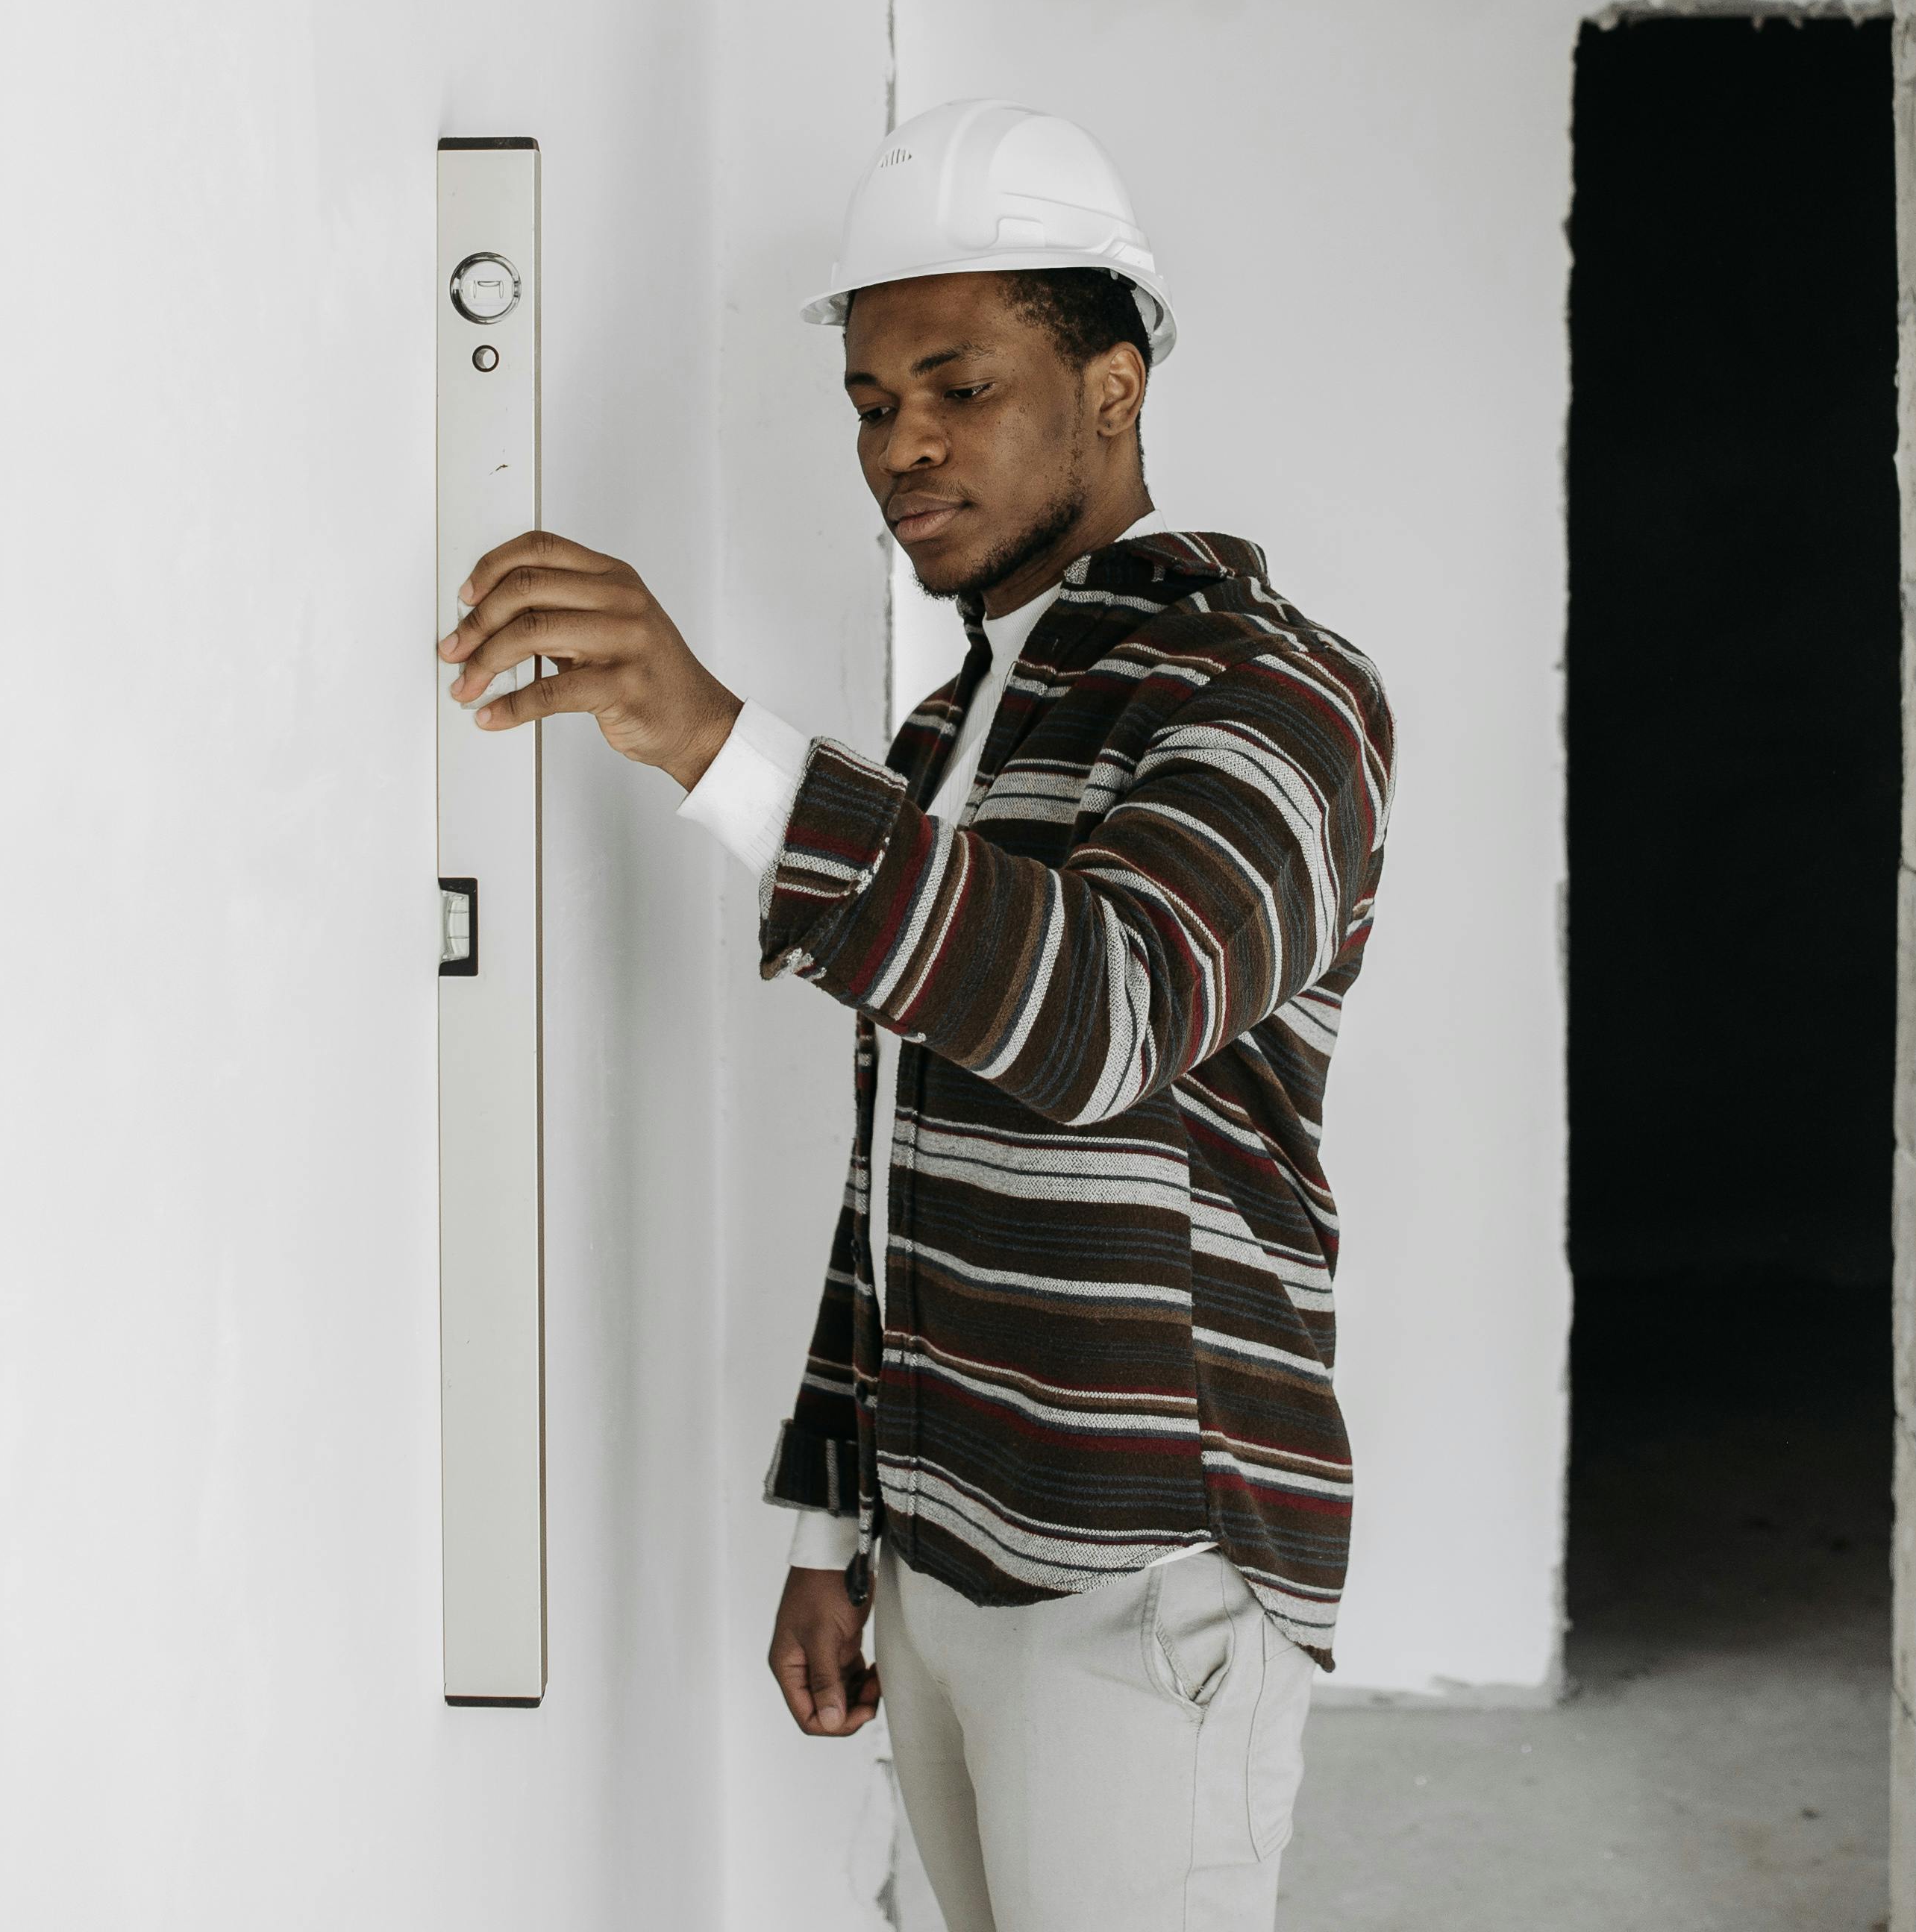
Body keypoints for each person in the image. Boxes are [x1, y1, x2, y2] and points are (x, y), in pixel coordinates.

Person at [436, 98, 1395, 1932]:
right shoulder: (955, 739)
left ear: (1110, 388)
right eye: (874, 404)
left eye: (956, 384)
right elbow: (901, 1169)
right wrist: (833, 1525)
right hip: (946, 1542)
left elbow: (1100, 1010)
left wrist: (719, 746)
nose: (904, 446)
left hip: (1143, 1557)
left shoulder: (1279, 694)